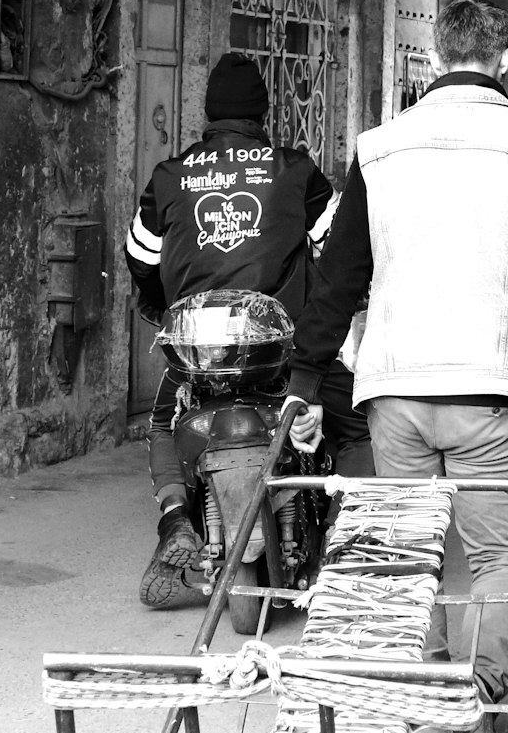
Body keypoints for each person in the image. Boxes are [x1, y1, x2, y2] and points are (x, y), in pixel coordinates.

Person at [284, 0, 508, 733]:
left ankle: (425, 713)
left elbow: (339, 274)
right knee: (496, 556)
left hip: (396, 392)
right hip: (492, 389)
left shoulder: (380, 148)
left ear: (433, 53)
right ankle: (475, 697)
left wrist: (307, 379)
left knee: (409, 552)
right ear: (507, 56)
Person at [125, 51, 372, 608]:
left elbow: (139, 254)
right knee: (354, 425)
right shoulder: (294, 170)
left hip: (199, 358)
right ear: (264, 113)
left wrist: (160, 302)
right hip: (283, 355)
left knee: (164, 423)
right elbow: (337, 250)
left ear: (207, 114)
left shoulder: (168, 176)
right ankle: (347, 541)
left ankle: (172, 521)